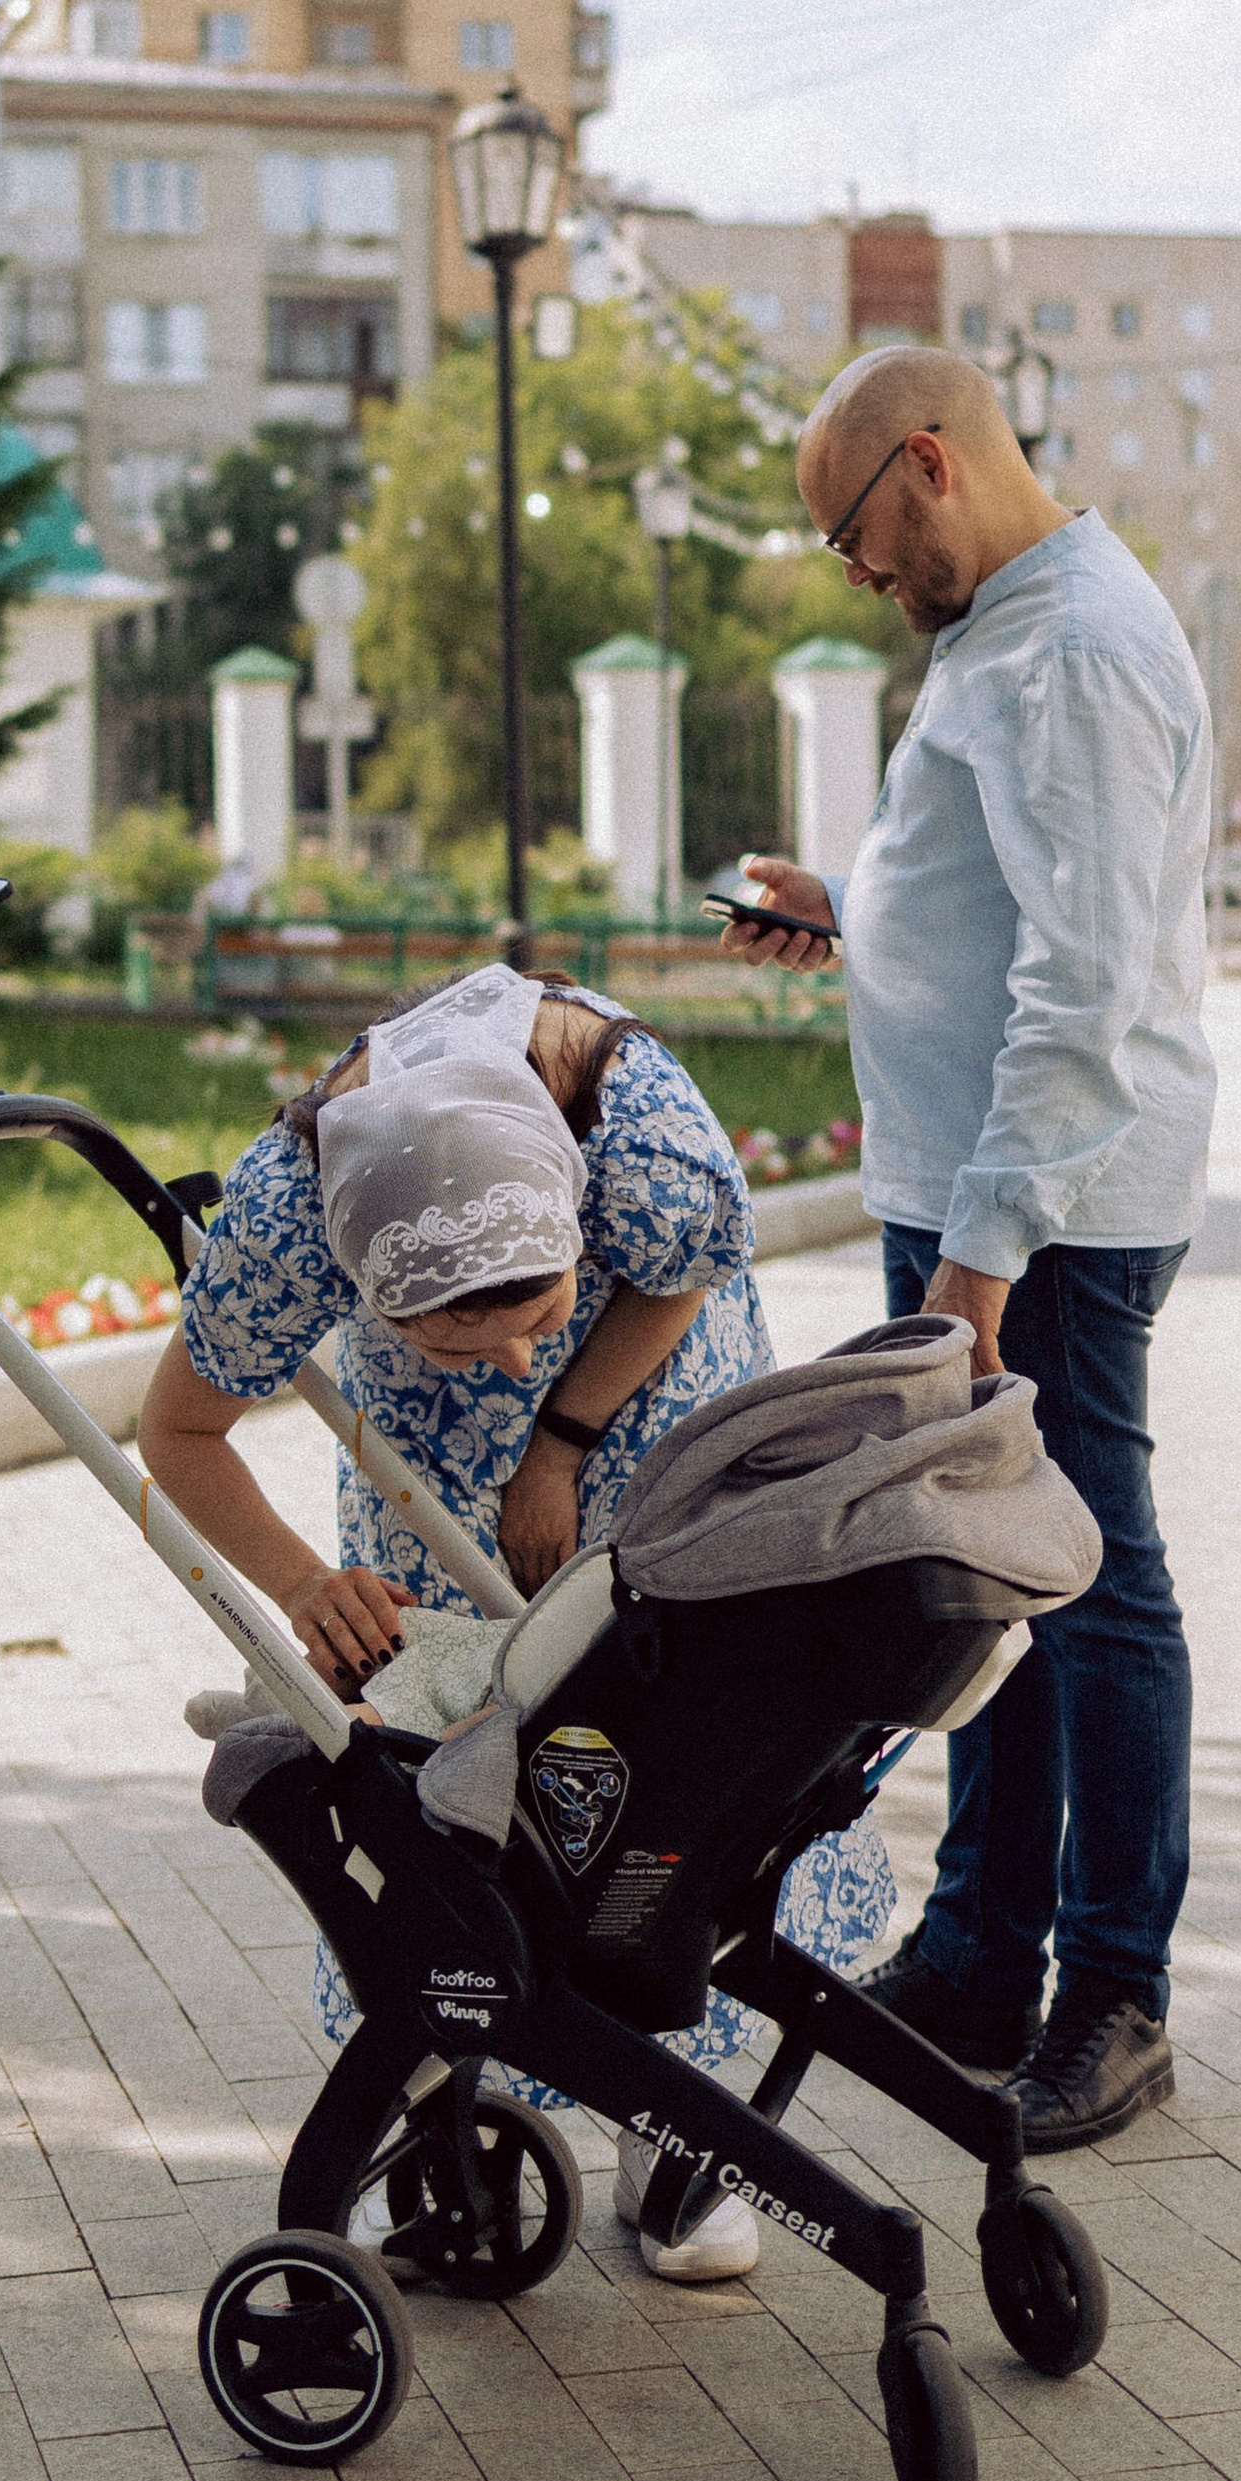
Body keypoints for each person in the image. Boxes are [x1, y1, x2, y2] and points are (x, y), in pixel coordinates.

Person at [138, 962, 896, 2278]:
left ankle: (673, 2124)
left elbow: (688, 1269)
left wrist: (559, 1438)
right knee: (455, 1802)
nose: (507, 1357)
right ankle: (450, 2112)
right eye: (453, 1338)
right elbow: (178, 1430)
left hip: (651, 1415)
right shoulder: (287, 1218)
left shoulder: (635, 1134)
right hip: (426, 1484)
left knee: (669, 1770)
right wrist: (306, 1585)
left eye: (532, 1317)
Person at [721, 344, 1212, 2149]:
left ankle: (1115, 1992)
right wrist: (856, 912)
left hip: (1042, 1215)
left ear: (926, 462)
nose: (856, 573)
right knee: (984, 1583)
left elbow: (1086, 991)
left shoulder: (1070, 649)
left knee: (1095, 1589)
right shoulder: (1008, 627)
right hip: (979, 1192)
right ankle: (985, 1955)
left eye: (851, 533)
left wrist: (984, 1257)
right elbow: (1007, 898)